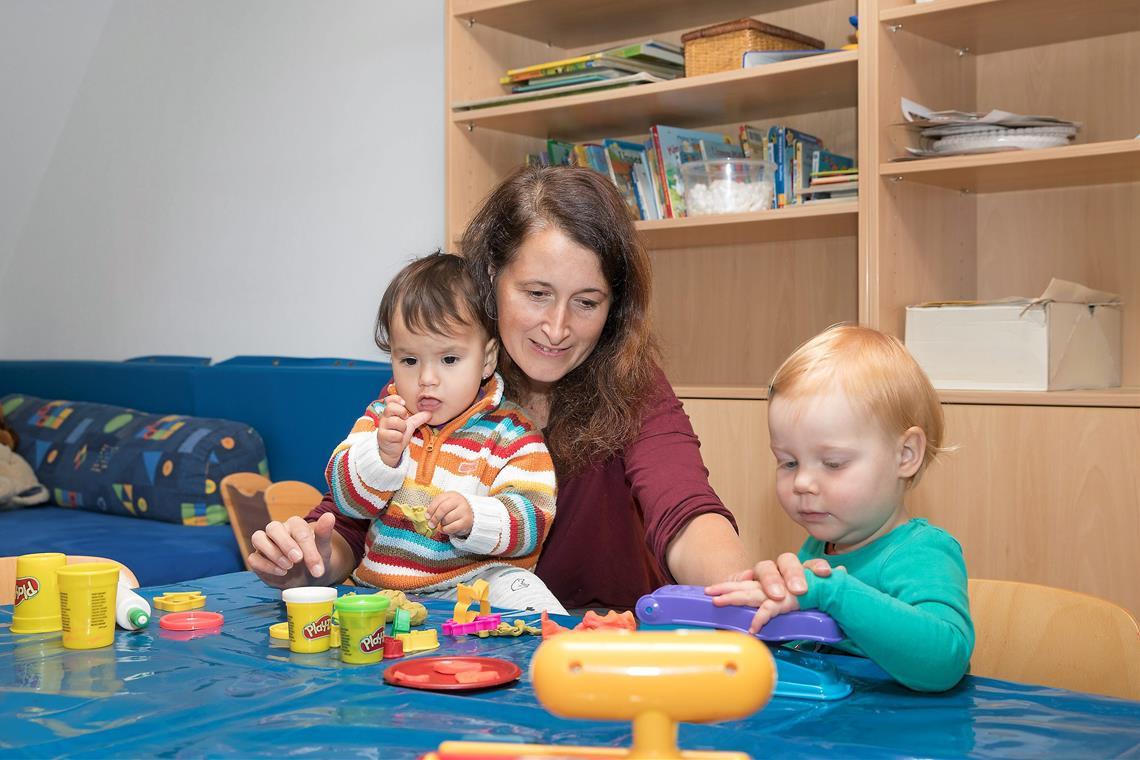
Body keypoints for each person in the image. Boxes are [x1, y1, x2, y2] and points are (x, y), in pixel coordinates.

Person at [249, 166, 818, 609]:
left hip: (591, 648)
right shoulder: (437, 378)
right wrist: (309, 560)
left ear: (614, 307)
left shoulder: (632, 382)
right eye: (537, 293)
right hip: (454, 651)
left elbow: (684, 511)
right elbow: (349, 523)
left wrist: (743, 587)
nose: (557, 328)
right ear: (489, 278)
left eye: (587, 302)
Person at [288, 252, 564, 613]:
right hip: (383, 588)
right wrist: (381, 458)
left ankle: (560, 658)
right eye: (409, 360)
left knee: (528, 592)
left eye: (449, 360)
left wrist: (475, 518)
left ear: (486, 359)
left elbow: (534, 519)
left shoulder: (513, 434)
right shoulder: (382, 419)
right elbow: (347, 501)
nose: (427, 379)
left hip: (477, 586)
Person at [706, 325, 975, 692]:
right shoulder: (818, 550)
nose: (802, 482)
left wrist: (831, 592)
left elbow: (945, 660)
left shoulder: (922, 552)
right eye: (787, 462)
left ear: (905, 455)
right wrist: (759, 609)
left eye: (832, 463)